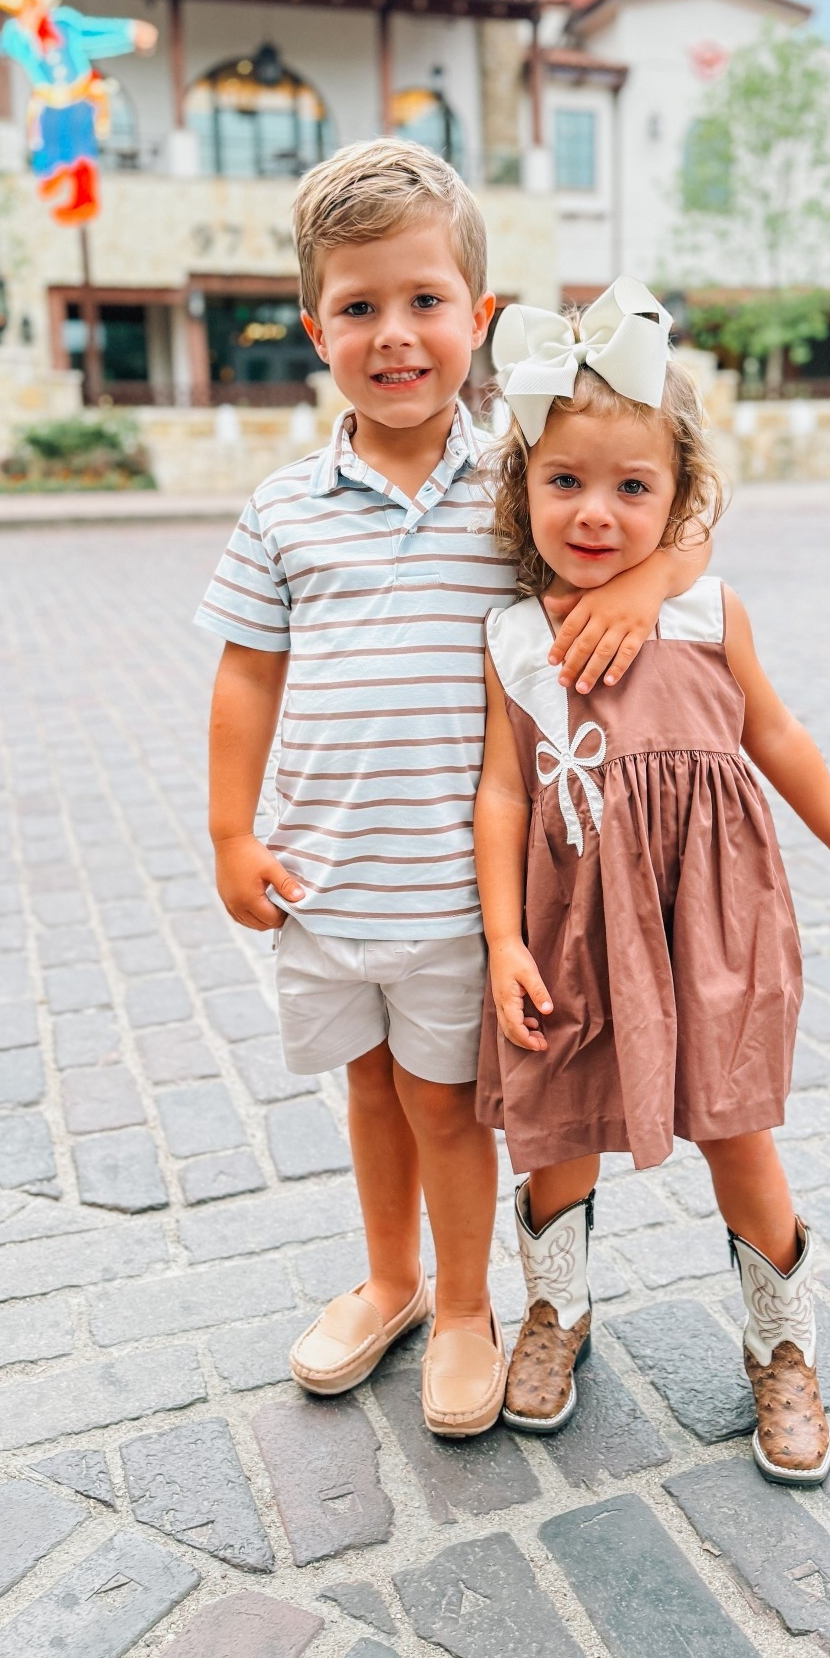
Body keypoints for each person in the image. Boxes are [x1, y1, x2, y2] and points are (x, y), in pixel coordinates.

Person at [197, 146, 710, 1438]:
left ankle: (472, 1306)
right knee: (365, 1088)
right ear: (317, 328)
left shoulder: (519, 483)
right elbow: (247, 677)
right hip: (325, 868)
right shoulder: (285, 509)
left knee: (443, 1098)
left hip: (458, 881)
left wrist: (645, 586)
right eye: (359, 308)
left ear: (477, 318)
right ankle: (389, 1280)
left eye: (424, 300)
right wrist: (229, 833)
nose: (394, 335)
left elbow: (674, 511)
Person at [473, 280, 830, 1481]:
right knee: (556, 1126)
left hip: (714, 916)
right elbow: (505, 793)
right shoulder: (515, 637)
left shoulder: (710, 608)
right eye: (564, 480)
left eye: (634, 487)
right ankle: (554, 1311)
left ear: (681, 501)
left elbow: (776, 736)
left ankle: (783, 1343)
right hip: (573, 919)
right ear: (522, 487)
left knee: (738, 1128)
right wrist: (505, 938)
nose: (597, 510)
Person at [0, 0, 156, 225]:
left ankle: (82, 198)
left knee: (80, 149)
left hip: (79, 95)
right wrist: (20, 23)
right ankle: (51, 174)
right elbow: (3, 45)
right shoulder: (17, 35)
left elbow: (94, 33)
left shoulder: (64, 24)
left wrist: (130, 32)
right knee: (47, 139)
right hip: (48, 99)